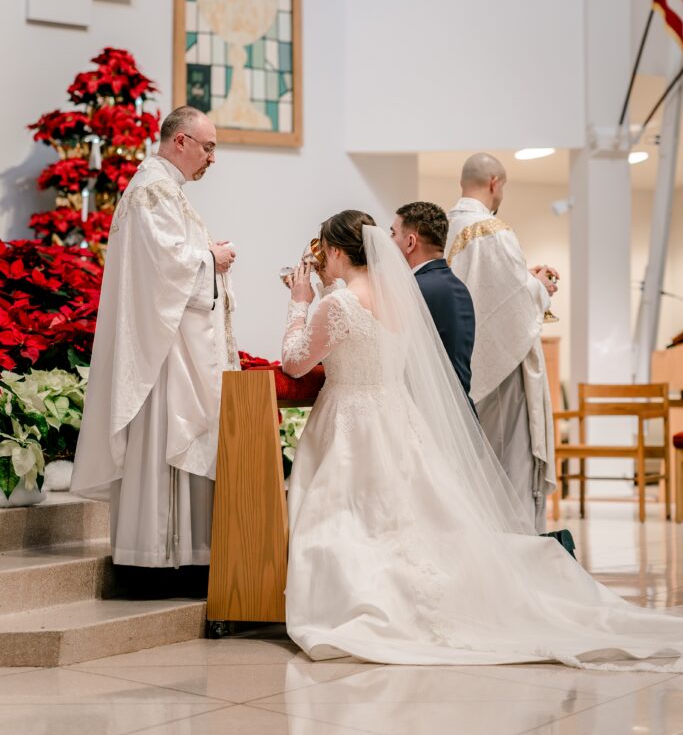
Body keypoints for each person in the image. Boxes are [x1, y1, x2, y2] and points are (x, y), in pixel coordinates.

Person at [281, 210, 683, 669]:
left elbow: (294, 362)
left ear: (334, 251)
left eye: (323, 250)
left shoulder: (337, 304)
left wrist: (299, 302)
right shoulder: (396, 299)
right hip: (395, 415)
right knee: (403, 518)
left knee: (354, 518)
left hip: (351, 419)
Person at [71, 106, 240, 569]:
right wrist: (213, 257)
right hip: (163, 354)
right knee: (168, 438)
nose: (212, 158)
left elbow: (169, 257)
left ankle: (177, 553)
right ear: (180, 141)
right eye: (207, 147)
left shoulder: (164, 188)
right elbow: (166, 265)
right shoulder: (154, 189)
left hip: (170, 342)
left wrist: (205, 255)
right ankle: (160, 557)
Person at [446, 153, 556, 532]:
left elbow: (484, 293)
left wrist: (525, 277)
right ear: (495, 182)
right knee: (511, 464)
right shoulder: (492, 230)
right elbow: (512, 306)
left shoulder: (443, 227)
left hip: (460, 367)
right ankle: (520, 550)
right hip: (504, 371)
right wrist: (540, 287)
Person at [390, 200, 476, 416]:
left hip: (427, 418)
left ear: (410, 242)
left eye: (393, 234)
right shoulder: (458, 287)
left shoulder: (412, 290)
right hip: (459, 416)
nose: (388, 242)